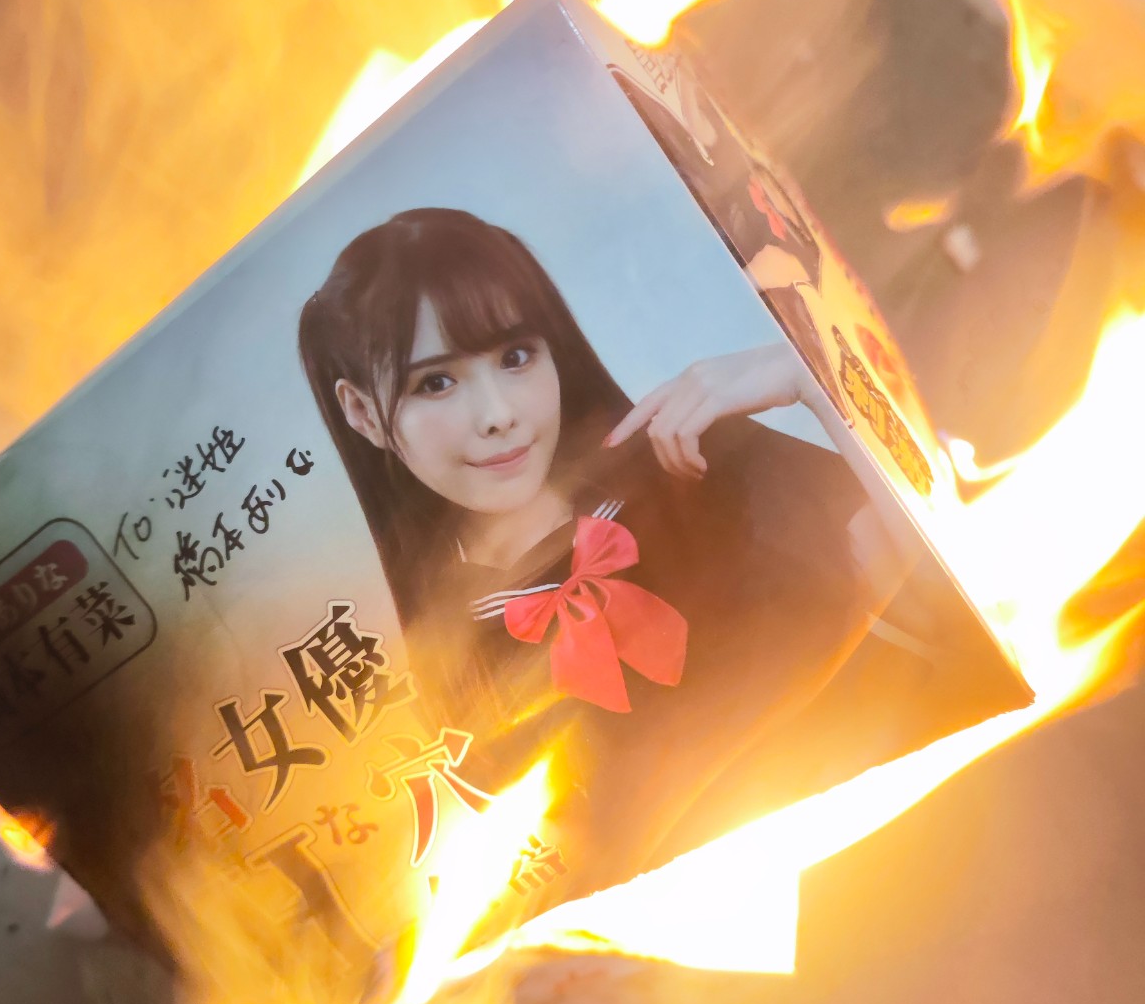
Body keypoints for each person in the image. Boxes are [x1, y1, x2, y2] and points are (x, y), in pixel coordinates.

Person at [299, 208, 890, 896]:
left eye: (515, 357)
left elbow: (932, 585)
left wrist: (809, 377)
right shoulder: (454, 681)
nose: (498, 414)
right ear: (363, 413)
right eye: (436, 382)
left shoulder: (691, 457)